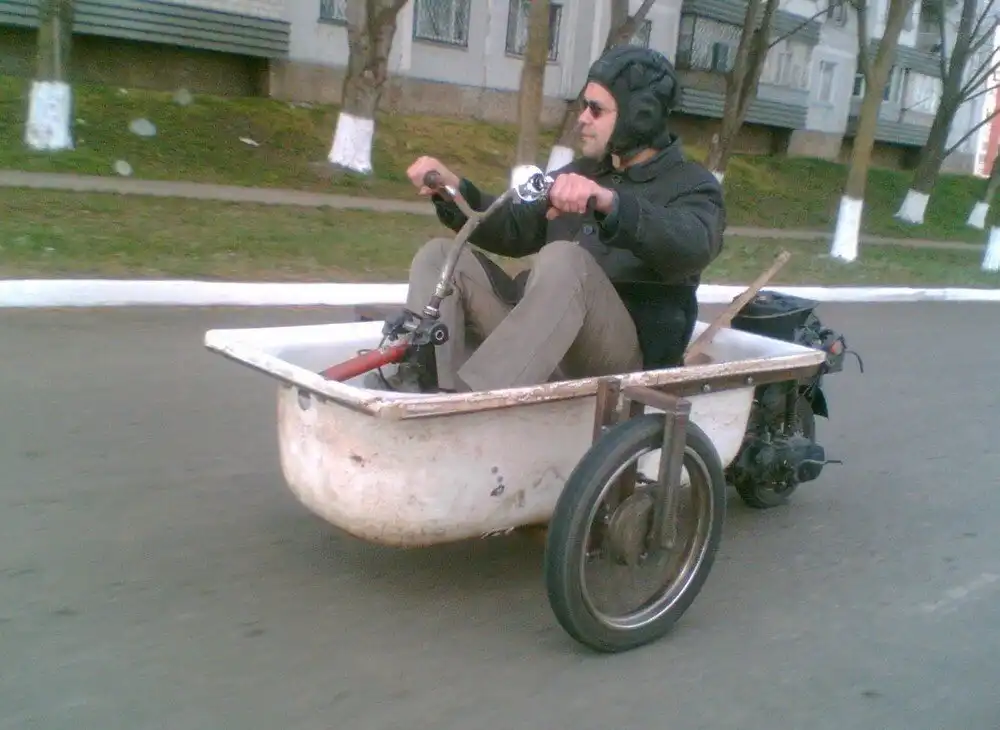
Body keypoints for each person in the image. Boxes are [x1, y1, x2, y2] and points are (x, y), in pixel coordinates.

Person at [367, 45, 726, 394]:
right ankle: (422, 388)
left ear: (639, 116)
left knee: (565, 260)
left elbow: (693, 245)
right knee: (440, 257)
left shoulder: (692, 184)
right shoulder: (581, 172)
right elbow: (513, 227)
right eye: (584, 106)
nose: (582, 118)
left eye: (596, 110)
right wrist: (454, 191)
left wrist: (612, 205)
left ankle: (477, 405)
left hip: (618, 368)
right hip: (543, 346)